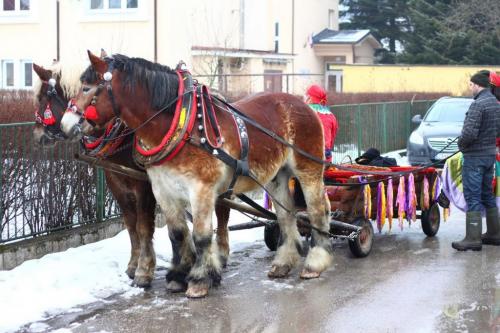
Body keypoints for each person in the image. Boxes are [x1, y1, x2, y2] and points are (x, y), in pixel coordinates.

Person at [452, 70, 500, 251]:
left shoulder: (477, 105)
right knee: (487, 194)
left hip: (474, 158)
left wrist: (461, 145)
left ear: (476, 85)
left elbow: (469, 133)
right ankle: (495, 234)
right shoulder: (496, 104)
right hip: (489, 156)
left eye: (470, 85)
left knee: (473, 196)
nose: (469, 88)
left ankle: (473, 238)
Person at [305, 85, 338, 163]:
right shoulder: (330, 115)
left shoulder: (306, 113)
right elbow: (332, 138)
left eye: (307, 96)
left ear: (310, 98)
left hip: (309, 160)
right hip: (326, 158)